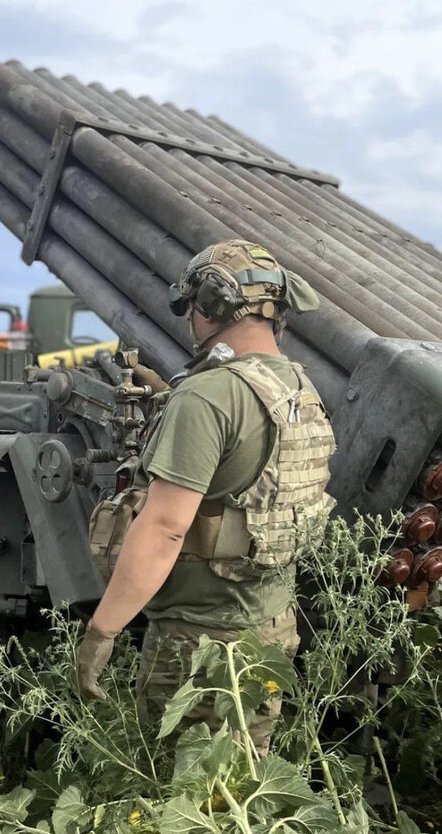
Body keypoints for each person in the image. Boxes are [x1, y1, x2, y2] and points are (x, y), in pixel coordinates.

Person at [76, 239, 335, 753]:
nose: (190, 319)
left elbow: (166, 527)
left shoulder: (207, 396)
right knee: (242, 777)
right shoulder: (298, 388)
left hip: (198, 642)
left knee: (183, 794)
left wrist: (101, 633)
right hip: (270, 630)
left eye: (192, 306)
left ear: (213, 305)